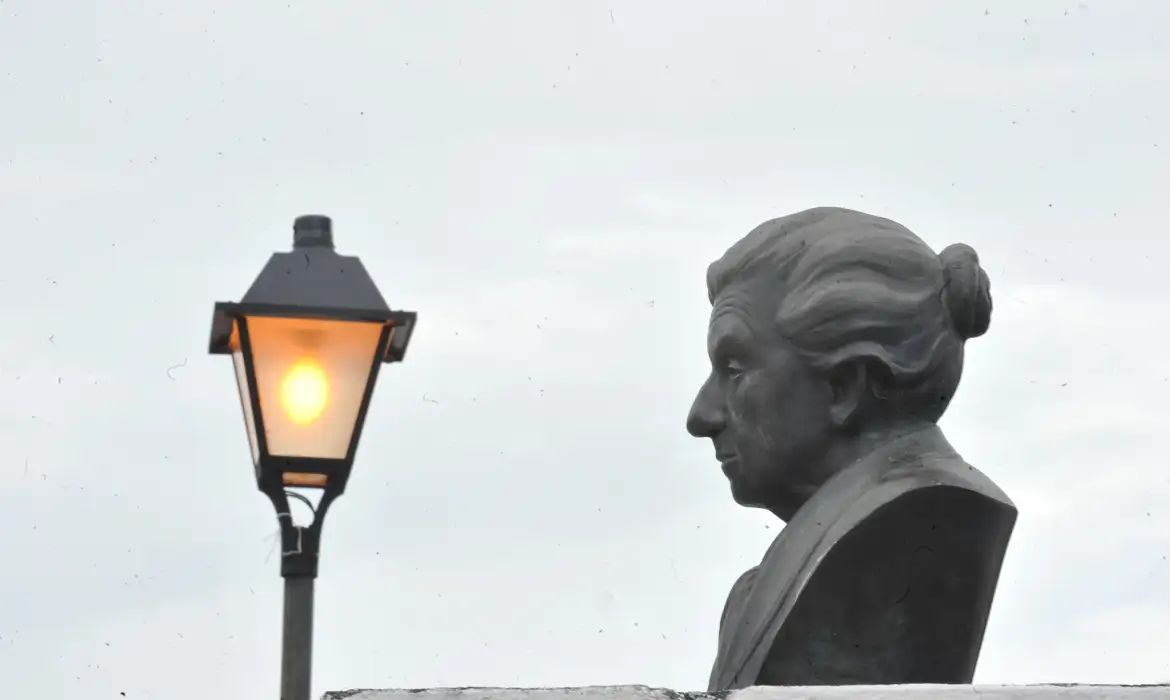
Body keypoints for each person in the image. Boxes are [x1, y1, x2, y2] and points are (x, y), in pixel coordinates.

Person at [686, 207, 1017, 689]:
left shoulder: (912, 523)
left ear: (844, 385)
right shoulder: (776, 576)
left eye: (734, 370)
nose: (701, 416)